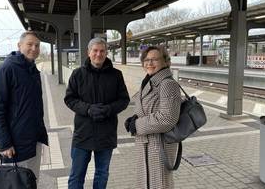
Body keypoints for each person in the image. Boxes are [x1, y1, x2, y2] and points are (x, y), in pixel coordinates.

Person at [64, 37, 130, 189]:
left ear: (106, 53)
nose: (98, 54)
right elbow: (69, 99)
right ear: (88, 52)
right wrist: (87, 109)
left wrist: (108, 109)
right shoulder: (77, 74)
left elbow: (124, 100)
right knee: (76, 175)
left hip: (106, 133)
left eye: (102, 51)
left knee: (102, 173)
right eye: (95, 51)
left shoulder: (116, 75)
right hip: (83, 133)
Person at [0, 31, 48, 183]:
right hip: (15, 144)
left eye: (37, 45)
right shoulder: (6, 69)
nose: (34, 48)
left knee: (30, 181)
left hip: (33, 139)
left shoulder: (32, 70)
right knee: (16, 183)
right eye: (29, 44)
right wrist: (4, 143)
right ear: (19, 46)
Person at [124, 45, 182, 189]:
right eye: (147, 59)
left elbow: (167, 119)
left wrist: (136, 125)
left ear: (165, 62)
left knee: (159, 183)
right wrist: (134, 118)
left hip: (159, 145)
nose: (149, 63)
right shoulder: (149, 82)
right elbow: (148, 109)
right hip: (146, 143)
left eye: (155, 59)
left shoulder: (167, 84)